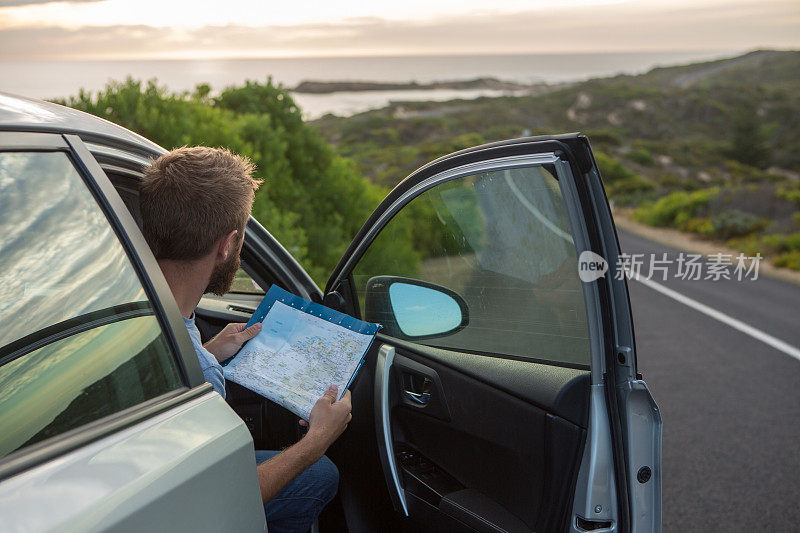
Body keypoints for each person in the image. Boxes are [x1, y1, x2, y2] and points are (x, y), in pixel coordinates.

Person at [138, 146, 351, 533]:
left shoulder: (131, 300)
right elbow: (223, 498)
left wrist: (207, 352)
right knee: (320, 472)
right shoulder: (200, 372)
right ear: (226, 244)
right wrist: (318, 439)